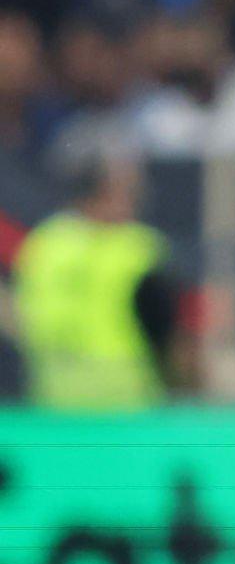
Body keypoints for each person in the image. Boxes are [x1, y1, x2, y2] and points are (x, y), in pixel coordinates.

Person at [7, 147, 190, 411]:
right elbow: (169, 331)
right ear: (102, 193)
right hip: (124, 394)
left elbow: (23, 317)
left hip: (57, 394)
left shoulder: (45, 243)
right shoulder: (139, 248)